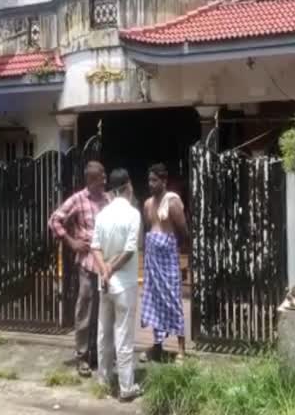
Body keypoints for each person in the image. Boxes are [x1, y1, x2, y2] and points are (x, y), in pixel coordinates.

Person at [48, 161, 108, 377]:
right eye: (101, 177)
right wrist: (72, 242)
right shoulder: (78, 199)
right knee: (85, 310)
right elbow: (55, 220)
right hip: (87, 264)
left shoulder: (107, 199)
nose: (105, 180)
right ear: (92, 179)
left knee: (100, 313)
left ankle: (95, 353)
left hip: (105, 266)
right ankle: (82, 356)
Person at [91, 168, 143, 402]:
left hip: (104, 284)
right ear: (128, 186)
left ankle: (102, 381)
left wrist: (104, 270)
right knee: (123, 336)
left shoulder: (102, 214)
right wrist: (111, 269)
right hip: (124, 285)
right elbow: (130, 250)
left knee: (104, 333)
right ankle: (126, 387)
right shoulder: (132, 214)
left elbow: (95, 247)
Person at [140, 163, 189, 362]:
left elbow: (183, 232)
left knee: (173, 301)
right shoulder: (147, 204)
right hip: (153, 260)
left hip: (168, 258)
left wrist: (176, 252)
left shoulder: (172, 202)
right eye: (149, 180)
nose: (151, 184)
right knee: (154, 301)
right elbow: (149, 228)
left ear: (164, 181)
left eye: (155, 180)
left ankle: (181, 349)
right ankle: (157, 346)